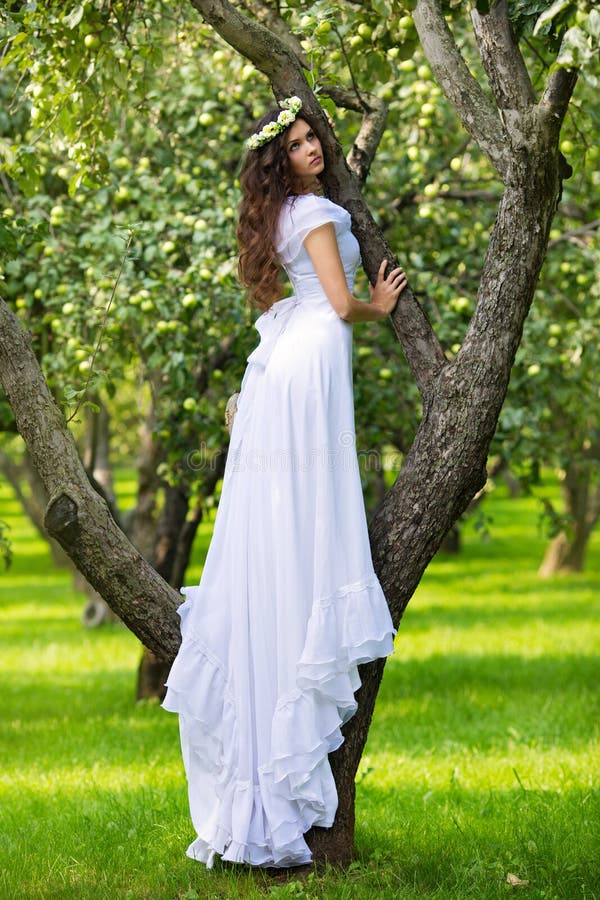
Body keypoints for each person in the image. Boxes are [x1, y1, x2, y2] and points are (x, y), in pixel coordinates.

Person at [162, 96, 408, 870]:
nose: (309, 149)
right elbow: (338, 305)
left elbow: (300, 298)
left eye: (312, 140)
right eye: (296, 143)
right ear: (281, 156)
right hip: (312, 359)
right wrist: (380, 303)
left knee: (283, 508)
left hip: (286, 364)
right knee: (311, 506)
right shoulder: (320, 211)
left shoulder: (275, 215)